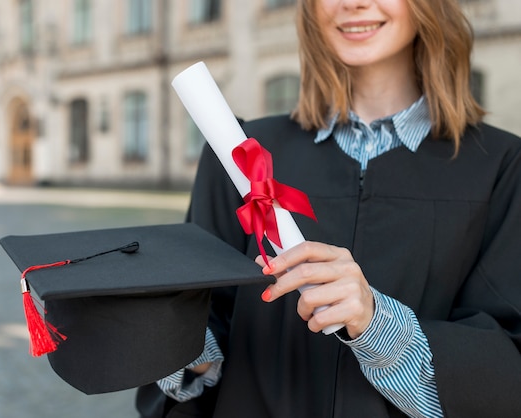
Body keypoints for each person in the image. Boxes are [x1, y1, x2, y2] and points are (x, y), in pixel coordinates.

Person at [136, 0, 521, 417]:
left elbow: (504, 366)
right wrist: (169, 345)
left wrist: (377, 325)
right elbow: (206, 323)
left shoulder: (501, 167)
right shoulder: (243, 157)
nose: (352, 3)